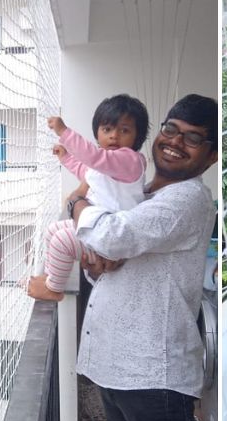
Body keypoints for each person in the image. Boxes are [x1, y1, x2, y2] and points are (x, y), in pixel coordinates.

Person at [29, 93, 217, 421]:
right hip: (116, 367)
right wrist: (95, 264)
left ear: (212, 157)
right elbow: (107, 263)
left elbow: (112, 237)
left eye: (193, 138)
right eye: (171, 130)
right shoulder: (143, 195)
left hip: (153, 376)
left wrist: (76, 205)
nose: (176, 142)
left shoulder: (187, 199)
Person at [27, 94, 149, 301]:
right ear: (98, 132)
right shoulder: (106, 163)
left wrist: (64, 132)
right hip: (100, 229)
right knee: (52, 230)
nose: (114, 136)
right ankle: (52, 277)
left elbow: (93, 158)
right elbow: (86, 171)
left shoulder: (130, 161)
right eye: (107, 129)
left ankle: (54, 289)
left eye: (124, 130)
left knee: (61, 242)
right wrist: (65, 157)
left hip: (112, 238)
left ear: (137, 137)